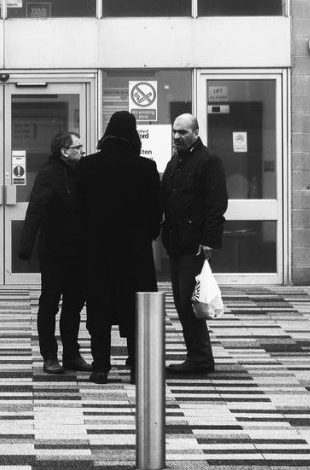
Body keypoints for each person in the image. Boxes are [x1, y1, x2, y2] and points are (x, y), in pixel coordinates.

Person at [75, 111, 162, 384]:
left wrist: (88, 240)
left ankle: (101, 366)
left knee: (99, 306)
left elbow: (78, 211)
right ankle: (137, 367)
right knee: (136, 310)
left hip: (98, 251)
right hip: (135, 254)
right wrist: (143, 236)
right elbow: (155, 214)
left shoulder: (87, 166)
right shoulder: (146, 168)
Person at [160, 113, 228, 376]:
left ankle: (200, 358)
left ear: (196, 133)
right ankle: (198, 356)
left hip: (194, 245)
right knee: (182, 302)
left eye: (183, 132)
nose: (177, 136)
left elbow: (216, 204)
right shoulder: (175, 161)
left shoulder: (209, 162)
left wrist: (210, 240)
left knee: (190, 302)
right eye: (175, 132)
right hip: (176, 243)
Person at [18, 131, 91, 375]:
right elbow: (35, 211)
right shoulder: (48, 175)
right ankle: (49, 355)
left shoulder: (83, 173)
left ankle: (72, 354)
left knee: (74, 305)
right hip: (54, 252)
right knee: (49, 304)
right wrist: (26, 247)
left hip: (79, 252)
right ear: (64, 151)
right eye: (78, 147)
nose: (83, 150)